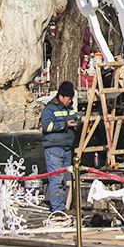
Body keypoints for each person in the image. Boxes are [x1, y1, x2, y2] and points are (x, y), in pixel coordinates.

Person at [40, 80, 80, 221]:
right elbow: (47, 126)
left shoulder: (70, 109)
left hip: (66, 148)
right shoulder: (49, 109)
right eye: (69, 98)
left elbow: (75, 118)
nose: (70, 101)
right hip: (54, 149)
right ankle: (57, 209)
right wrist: (64, 124)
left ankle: (64, 206)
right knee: (56, 179)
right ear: (62, 96)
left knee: (66, 180)